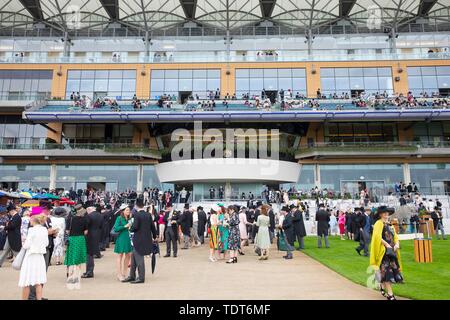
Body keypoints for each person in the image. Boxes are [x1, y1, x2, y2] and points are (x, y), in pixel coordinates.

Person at [370, 206, 403, 300]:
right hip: (384, 252)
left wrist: (396, 244)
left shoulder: (390, 225)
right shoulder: (378, 223)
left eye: (387, 212)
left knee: (389, 272)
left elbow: (395, 236)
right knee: (387, 273)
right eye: (384, 212)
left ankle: (381, 285)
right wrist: (386, 245)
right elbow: (377, 236)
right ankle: (390, 294)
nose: (386, 214)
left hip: (392, 252)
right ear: (380, 214)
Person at [122, 198, 157, 284]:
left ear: (136, 205)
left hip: (138, 239)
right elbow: (153, 227)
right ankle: (132, 276)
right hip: (147, 239)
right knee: (134, 258)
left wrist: (130, 228)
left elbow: (135, 227)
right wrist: (155, 236)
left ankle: (141, 277)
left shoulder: (136, 215)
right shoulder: (148, 215)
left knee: (139, 258)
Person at [18, 214, 48, 300]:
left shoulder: (31, 230)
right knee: (38, 282)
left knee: (26, 281)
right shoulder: (44, 230)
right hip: (40, 257)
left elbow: (27, 245)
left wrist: (24, 242)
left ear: (33, 220)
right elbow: (46, 243)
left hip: (31, 257)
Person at [64, 206, 88, 290]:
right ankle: (76, 275)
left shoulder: (69, 219)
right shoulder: (84, 219)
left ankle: (69, 274)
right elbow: (86, 231)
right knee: (78, 258)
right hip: (80, 239)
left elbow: (67, 231)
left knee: (70, 256)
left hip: (72, 239)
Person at [113, 204, 133, 281]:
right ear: (123, 211)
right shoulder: (119, 218)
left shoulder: (130, 218)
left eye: (129, 210)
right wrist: (125, 226)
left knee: (128, 255)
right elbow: (116, 228)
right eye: (127, 210)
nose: (128, 211)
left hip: (128, 238)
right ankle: (119, 274)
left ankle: (125, 273)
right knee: (120, 256)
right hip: (121, 238)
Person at [83, 206, 103, 279]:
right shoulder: (100, 215)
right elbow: (101, 226)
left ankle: (89, 271)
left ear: (89, 210)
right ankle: (89, 270)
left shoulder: (89, 216)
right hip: (97, 234)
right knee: (91, 253)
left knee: (89, 254)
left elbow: (86, 226)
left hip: (89, 235)